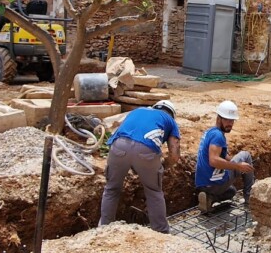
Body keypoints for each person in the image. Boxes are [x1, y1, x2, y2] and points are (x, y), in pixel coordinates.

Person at [99, 100, 181, 234]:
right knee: (154, 192)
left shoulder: (138, 111)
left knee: (111, 189)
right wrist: (162, 166)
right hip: (146, 150)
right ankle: (161, 233)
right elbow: (174, 155)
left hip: (118, 146)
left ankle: (104, 229)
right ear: (171, 114)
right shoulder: (170, 121)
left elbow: (121, 129)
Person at [194, 100, 256, 214]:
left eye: (232, 120)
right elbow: (213, 160)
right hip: (213, 183)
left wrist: (233, 161)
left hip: (202, 184)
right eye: (227, 120)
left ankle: (209, 199)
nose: (230, 123)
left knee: (231, 191)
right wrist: (237, 165)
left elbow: (222, 156)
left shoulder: (210, 132)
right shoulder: (218, 136)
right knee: (245, 155)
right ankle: (249, 198)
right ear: (219, 118)